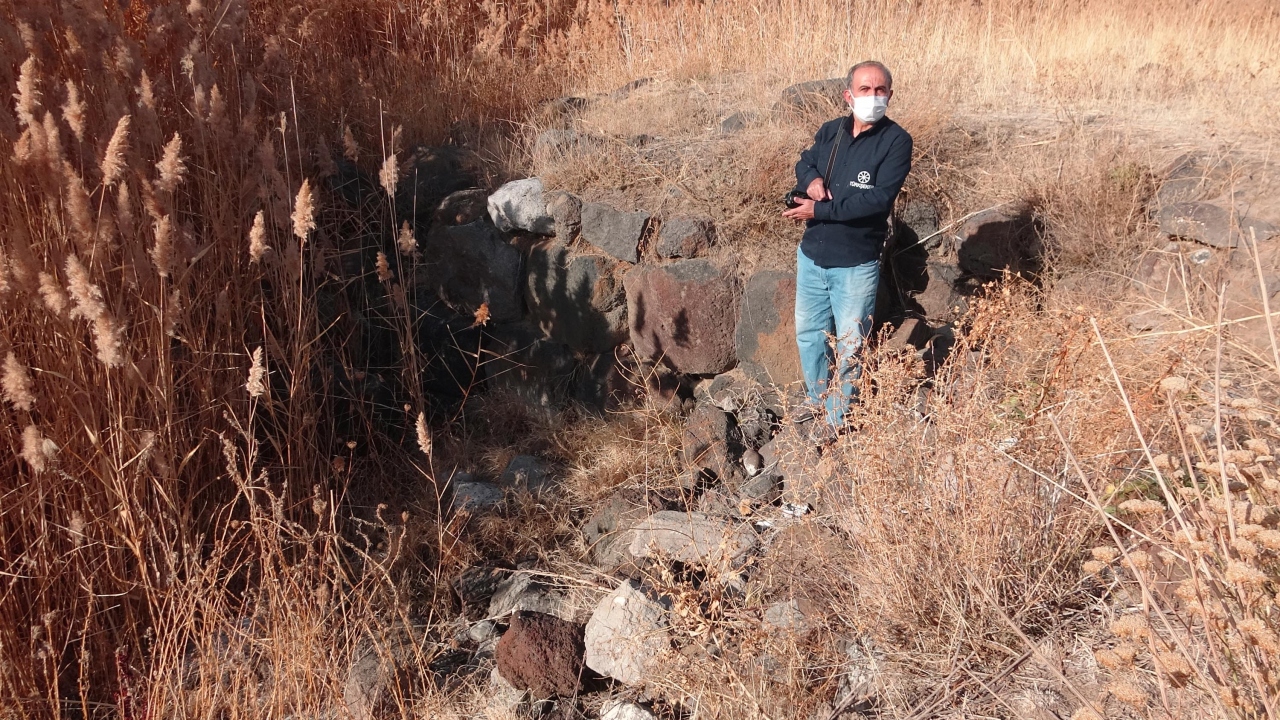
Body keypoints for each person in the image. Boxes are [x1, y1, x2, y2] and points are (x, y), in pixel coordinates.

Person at [782, 60, 913, 434]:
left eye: (880, 90)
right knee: (809, 335)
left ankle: (838, 419)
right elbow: (804, 162)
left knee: (851, 346)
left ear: (890, 94)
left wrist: (819, 209)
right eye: (865, 90)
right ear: (848, 95)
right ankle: (816, 400)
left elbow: (877, 201)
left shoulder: (896, 141)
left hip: (855, 264)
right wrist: (812, 181)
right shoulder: (831, 131)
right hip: (812, 257)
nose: (873, 97)